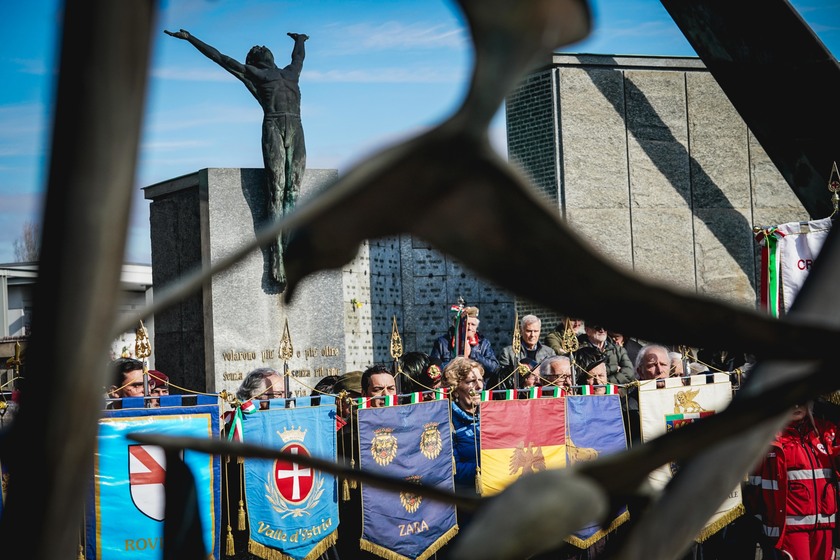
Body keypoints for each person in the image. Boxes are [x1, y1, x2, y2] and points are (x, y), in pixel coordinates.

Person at [165, 28, 309, 290]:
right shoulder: (257, 74)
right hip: (275, 127)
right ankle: (276, 257)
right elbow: (220, 58)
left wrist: (300, 39)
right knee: (276, 191)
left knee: (293, 194)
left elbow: (299, 56)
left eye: (261, 49)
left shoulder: (290, 72)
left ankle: (288, 253)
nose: (261, 48)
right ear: (256, 61)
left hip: (297, 129)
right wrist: (191, 39)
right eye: (257, 51)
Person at [748, 401, 840, 560]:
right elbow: (754, 486)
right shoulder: (768, 437)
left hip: (824, 525)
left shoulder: (824, 431)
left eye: (802, 400)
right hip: (790, 528)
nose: (797, 406)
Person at [445, 357, 484, 494]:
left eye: (480, 380)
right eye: (471, 382)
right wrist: (487, 467)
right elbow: (452, 468)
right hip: (467, 496)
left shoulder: (492, 414)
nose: (479, 387)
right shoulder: (447, 420)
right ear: (455, 390)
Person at [430, 305, 499, 383]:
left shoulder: (483, 344)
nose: (469, 328)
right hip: (450, 388)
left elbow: (494, 368)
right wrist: (456, 363)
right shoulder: (442, 342)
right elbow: (434, 369)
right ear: (457, 325)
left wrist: (473, 354)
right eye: (466, 324)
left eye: (473, 325)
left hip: (475, 388)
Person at [497, 314, 556, 389]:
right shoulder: (508, 353)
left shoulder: (549, 352)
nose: (532, 335)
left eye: (536, 331)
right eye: (529, 331)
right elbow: (503, 379)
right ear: (521, 331)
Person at [577, 324, 635, 393]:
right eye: (598, 328)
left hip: (616, 395)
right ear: (587, 330)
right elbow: (581, 376)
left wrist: (603, 382)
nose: (602, 330)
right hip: (589, 395)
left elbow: (629, 373)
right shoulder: (578, 350)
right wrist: (614, 369)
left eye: (605, 327)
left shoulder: (618, 350)